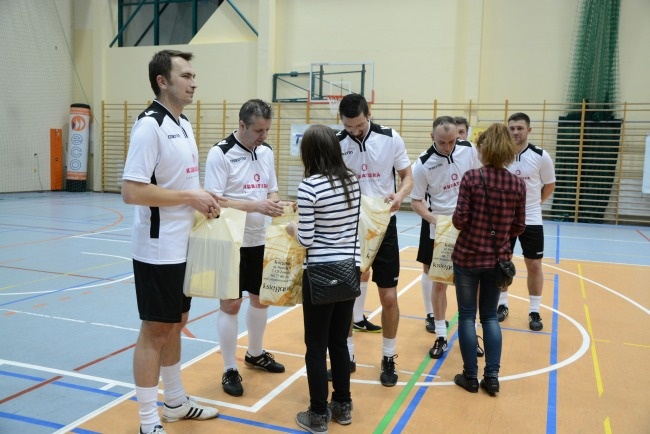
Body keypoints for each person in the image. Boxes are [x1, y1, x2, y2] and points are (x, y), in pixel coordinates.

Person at [121, 49, 221, 434]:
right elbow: (132, 190)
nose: (194, 82)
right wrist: (189, 197)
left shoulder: (183, 124)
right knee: (154, 330)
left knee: (177, 323)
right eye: (186, 75)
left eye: (194, 75)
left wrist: (203, 200)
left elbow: (180, 185)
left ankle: (176, 402)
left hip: (184, 244)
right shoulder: (149, 126)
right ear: (163, 81)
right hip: (157, 248)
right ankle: (148, 421)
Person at [204, 99, 288, 397]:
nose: (263, 136)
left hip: (260, 239)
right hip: (230, 240)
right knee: (231, 304)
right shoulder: (220, 153)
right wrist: (257, 205)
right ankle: (229, 367)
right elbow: (214, 201)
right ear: (241, 125)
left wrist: (275, 203)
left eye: (266, 130)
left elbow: (271, 189)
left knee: (261, 299)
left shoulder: (266, 151)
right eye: (257, 130)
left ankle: (255, 353)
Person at [286, 124, 361, 433]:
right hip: (349, 270)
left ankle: (318, 414)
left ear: (310, 152)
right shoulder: (352, 181)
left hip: (319, 272)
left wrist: (292, 227)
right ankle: (342, 405)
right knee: (339, 341)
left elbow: (305, 238)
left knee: (316, 346)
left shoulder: (310, 186)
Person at [337, 93, 413, 387]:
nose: (354, 131)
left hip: (384, 225)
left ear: (368, 114)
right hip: (348, 226)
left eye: (358, 125)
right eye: (348, 126)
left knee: (389, 297)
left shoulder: (390, 137)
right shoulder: (336, 142)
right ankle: (348, 356)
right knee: (344, 296)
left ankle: (389, 357)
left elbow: (407, 176)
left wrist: (401, 195)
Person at [451, 123, 526, 395]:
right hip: (497, 260)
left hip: (468, 257)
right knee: (490, 318)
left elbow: (460, 220)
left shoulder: (471, 178)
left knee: (467, 316)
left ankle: (470, 376)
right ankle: (492, 377)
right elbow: (519, 226)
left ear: (483, 148)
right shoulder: (517, 184)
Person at [410, 116, 480, 360]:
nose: (448, 146)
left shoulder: (469, 149)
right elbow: (416, 201)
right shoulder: (422, 164)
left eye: (452, 141)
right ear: (432, 137)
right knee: (439, 283)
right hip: (441, 229)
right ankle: (441, 335)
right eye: (442, 142)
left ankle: (472, 335)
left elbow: (481, 177)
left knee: (472, 284)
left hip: (471, 227)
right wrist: (434, 220)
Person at [498, 112, 556, 331]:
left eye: (520, 128)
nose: (515, 132)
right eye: (512, 128)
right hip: (505, 219)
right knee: (502, 263)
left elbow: (550, 184)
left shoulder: (541, 156)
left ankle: (534, 310)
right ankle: (502, 305)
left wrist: (535, 204)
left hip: (531, 218)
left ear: (528, 130)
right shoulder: (502, 155)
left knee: (534, 264)